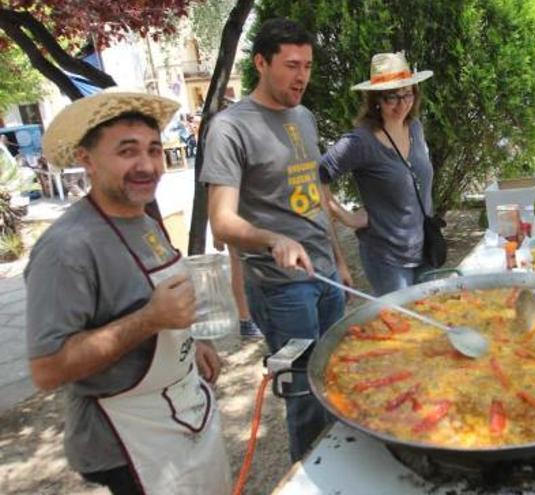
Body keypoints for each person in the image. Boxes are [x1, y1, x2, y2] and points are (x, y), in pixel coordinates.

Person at [26, 90, 231, 494]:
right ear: (87, 159)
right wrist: (151, 320)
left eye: (154, 150)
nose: (147, 165)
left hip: (177, 414)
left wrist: (189, 343)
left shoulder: (144, 220)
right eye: (126, 151)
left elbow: (157, 306)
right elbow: (47, 369)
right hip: (125, 443)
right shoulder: (67, 247)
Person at [200, 18, 351, 463]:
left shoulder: (304, 116)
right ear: (261, 63)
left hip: (327, 277)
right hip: (282, 287)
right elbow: (221, 222)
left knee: (338, 378)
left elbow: (315, 198)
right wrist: (270, 239)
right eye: (290, 65)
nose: (301, 75)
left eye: (307, 65)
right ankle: (311, 476)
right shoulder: (230, 128)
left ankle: (341, 463)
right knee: (304, 395)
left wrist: (338, 257)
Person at [319, 52, 435, 295]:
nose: (402, 104)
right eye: (392, 96)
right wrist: (345, 216)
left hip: (425, 250)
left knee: (430, 323)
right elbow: (316, 177)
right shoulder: (361, 142)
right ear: (376, 100)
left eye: (407, 94)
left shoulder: (415, 128)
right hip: (388, 260)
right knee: (403, 328)